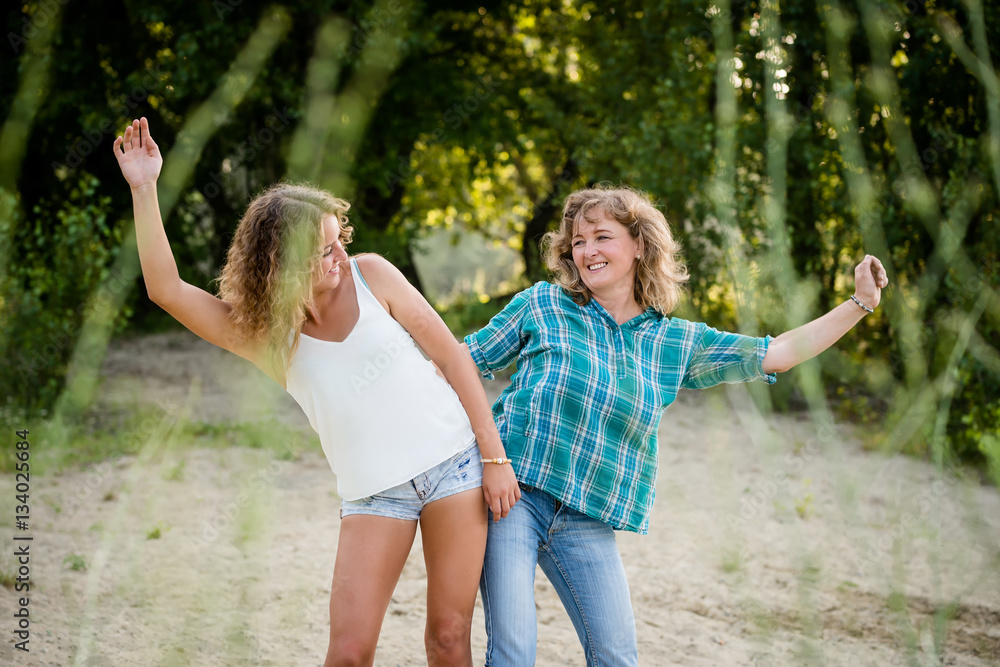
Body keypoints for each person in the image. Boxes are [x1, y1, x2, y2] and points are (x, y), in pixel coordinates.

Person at [112, 117, 520, 667]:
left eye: (338, 240)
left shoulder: (373, 275)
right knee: (348, 653)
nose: (341, 257)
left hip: (455, 467)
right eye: (323, 252)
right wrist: (144, 188)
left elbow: (452, 356)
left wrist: (492, 456)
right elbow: (165, 289)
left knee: (448, 637)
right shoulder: (265, 334)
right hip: (375, 495)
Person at [464, 185, 889, 666]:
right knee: (514, 653)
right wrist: (492, 457)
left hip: (586, 516)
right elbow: (461, 362)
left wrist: (860, 302)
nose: (587, 251)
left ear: (639, 245)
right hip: (512, 497)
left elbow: (779, 353)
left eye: (602, 236)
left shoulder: (675, 343)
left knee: (618, 659)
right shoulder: (543, 305)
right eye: (578, 242)